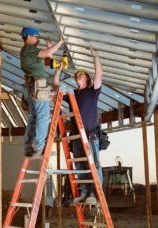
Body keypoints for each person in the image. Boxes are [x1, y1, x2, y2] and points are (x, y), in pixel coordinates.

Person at [53, 47, 103, 203]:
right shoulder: (73, 94)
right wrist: (60, 68)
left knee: (93, 164)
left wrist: (95, 56)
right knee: (80, 165)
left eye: (81, 74)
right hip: (76, 136)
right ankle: (84, 193)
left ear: (87, 78)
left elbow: (99, 74)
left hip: (90, 134)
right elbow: (55, 85)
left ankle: (95, 193)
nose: (77, 75)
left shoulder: (93, 92)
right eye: (76, 75)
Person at [20, 27, 66, 157]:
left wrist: (50, 50)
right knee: (43, 116)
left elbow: (47, 61)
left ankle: (30, 147)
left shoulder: (30, 52)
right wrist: (60, 42)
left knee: (33, 117)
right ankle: (40, 147)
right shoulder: (29, 49)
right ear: (28, 37)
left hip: (31, 85)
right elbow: (46, 54)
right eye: (36, 36)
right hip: (37, 85)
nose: (38, 39)